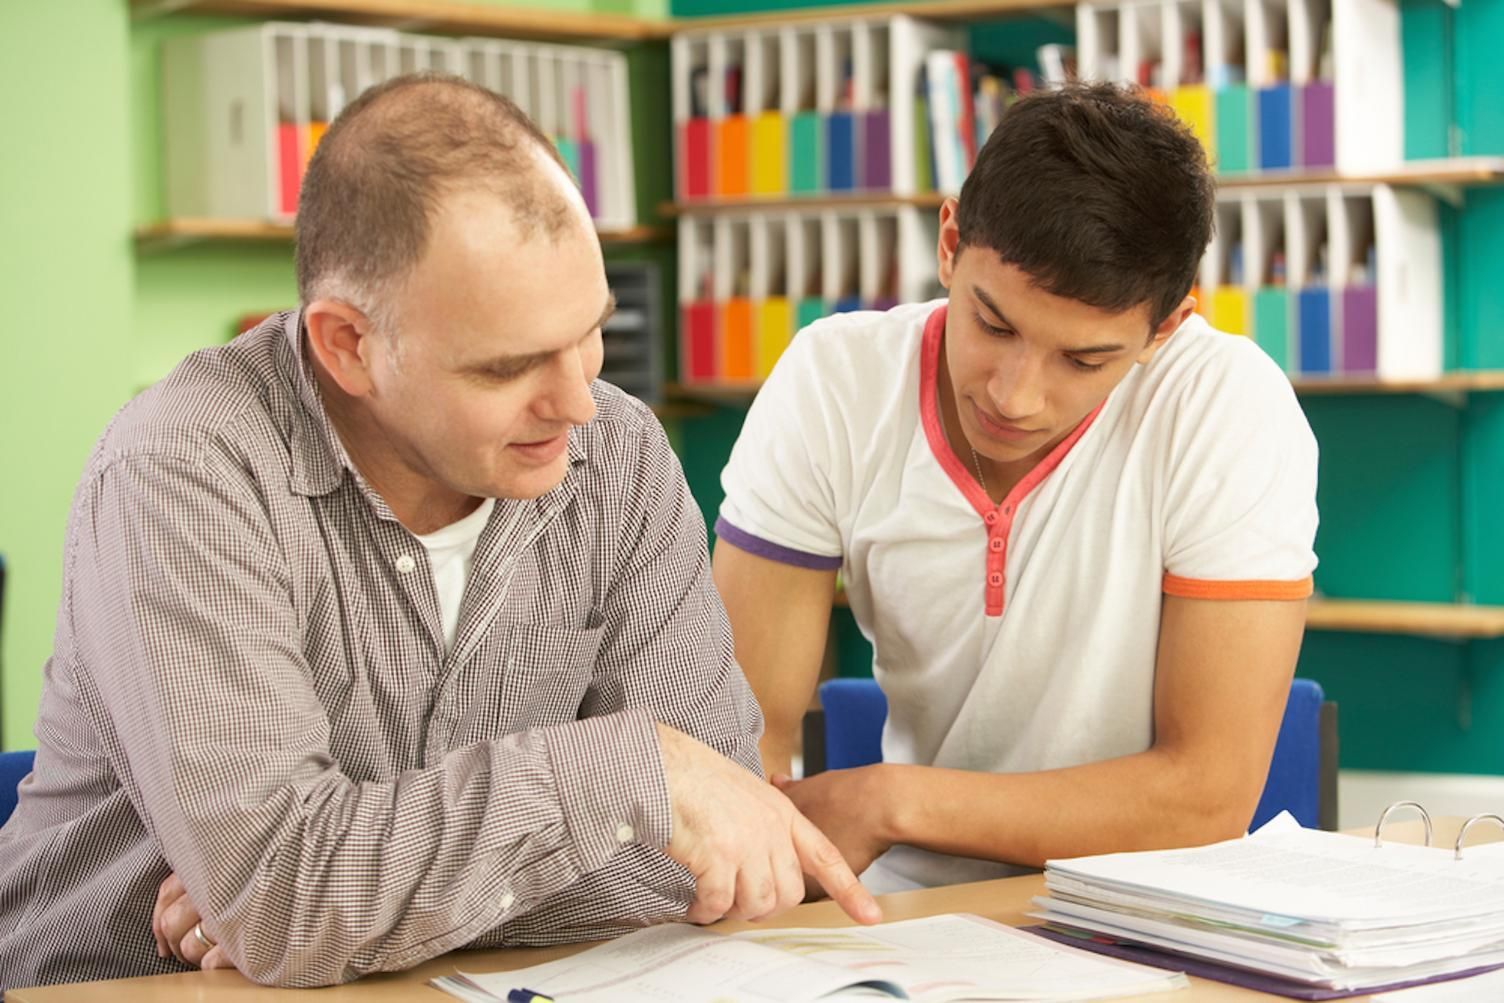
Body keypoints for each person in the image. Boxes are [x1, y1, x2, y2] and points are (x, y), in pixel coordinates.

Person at [0, 74, 878, 992]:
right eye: (507, 366)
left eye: (588, 335)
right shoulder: (184, 471)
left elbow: (722, 848)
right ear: (347, 344)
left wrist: (339, 906)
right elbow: (285, 896)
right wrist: (624, 774)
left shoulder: (617, 455)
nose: (578, 399)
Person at [712, 82, 1319, 893]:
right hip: (905, 922)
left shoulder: (1228, 405)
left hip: (1150, 907)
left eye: (1084, 359)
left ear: (1165, 326)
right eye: (993, 324)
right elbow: (736, 740)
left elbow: (1202, 797)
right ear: (950, 243)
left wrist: (894, 799)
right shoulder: (834, 381)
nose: (1014, 394)